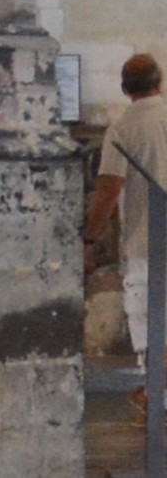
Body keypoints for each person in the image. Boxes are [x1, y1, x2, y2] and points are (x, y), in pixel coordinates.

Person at [85, 54, 167, 408]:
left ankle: (155, 396)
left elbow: (109, 189)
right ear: (160, 82)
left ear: (124, 90)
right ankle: (155, 397)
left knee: (151, 328)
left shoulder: (123, 129)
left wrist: (89, 240)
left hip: (146, 244)